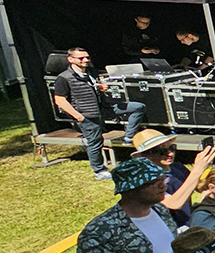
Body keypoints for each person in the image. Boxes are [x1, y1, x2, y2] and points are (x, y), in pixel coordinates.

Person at [51, 47, 145, 179]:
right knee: (95, 142)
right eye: (81, 58)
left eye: (87, 57)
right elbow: (60, 100)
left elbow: (93, 86)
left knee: (138, 107)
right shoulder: (64, 78)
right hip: (86, 114)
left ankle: (129, 137)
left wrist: (100, 87)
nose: (85, 60)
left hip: (103, 108)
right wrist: (78, 116)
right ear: (70, 59)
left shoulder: (91, 72)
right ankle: (99, 171)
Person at [129, 128, 215, 223]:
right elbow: (173, 204)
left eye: (171, 148)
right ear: (145, 156)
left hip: (188, 222)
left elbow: (199, 186)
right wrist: (197, 170)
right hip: (168, 228)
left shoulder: (177, 168)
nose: (170, 154)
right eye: (162, 152)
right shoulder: (146, 179)